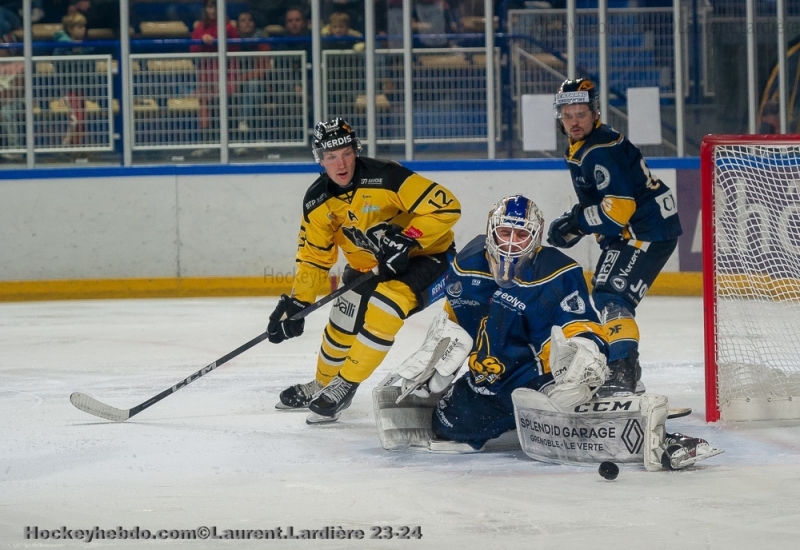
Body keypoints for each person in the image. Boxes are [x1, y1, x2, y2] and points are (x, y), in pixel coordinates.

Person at [375, 195, 721, 470]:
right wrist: (442, 343)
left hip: (541, 380)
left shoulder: (557, 272)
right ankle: (517, 422)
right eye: (504, 234)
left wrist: (582, 355)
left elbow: (580, 325)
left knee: (574, 411)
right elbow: (456, 318)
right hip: (491, 379)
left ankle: (658, 435)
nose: (511, 244)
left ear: (535, 238)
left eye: (521, 235)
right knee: (448, 427)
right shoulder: (466, 263)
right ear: (491, 231)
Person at [268, 117, 461, 423]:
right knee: (343, 318)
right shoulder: (317, 201)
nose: (340, 163)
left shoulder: (388, 175)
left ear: (356, 150)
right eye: (331, 156)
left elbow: (447, 206)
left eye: (345, 153)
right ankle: (323, 383)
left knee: (386, 304)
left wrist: (408, 239)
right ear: (320, 159)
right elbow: (314, 257)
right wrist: (298, 302)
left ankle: (347, 382)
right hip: (373, 267)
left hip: (426, 259)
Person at [547, 77, 682, 398]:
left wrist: (577, 222)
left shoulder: (600, 150)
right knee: (607, 295)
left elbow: (618, 210)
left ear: (594, 113)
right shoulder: (585, 145)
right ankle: (620, 365)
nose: (574, 121)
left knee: (612, 296)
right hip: (636, 230)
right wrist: (579, 221)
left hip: (645, 230)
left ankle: (624, 371)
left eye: (581, 113)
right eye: (567, 115)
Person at [191, 0, 240, 130]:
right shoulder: (200, 28)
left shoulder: (228, 27)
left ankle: (233, 140)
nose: (213, 10)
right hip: (206, 76)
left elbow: (235, 49)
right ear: (205, 9)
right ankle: (206, 142)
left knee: (226, 104)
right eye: (210, 6)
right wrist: (202, 41)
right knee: (204, 103)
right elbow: (192, 49)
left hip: (226, 75)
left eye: (215, 6)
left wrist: (220, 36)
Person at [234, 10, 270, 136]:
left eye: (250, 20)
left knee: (253, 84)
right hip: (236, 81)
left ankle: (243, 121)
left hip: (260, 83)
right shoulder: (233, 40)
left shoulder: (261, 38)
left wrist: (244, 77)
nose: (247, 23)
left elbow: (264, 68)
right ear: (238, 25)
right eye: (243, 21)